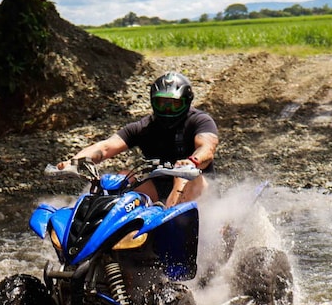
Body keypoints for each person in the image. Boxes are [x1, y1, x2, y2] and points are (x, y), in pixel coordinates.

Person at [58, 71, 218, 207]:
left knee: (182, 177)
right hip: (157, 185)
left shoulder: (200, 121)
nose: (168, 109)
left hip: (197, 185)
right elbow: (106, 147)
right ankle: (109, 232)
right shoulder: (144, 127)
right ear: (153, 102)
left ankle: (170, 226)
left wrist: (193, 162)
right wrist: (73, 162)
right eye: (162, 103)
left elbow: (207, 148)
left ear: (186, 102)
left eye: (174, 104)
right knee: (121, 179)